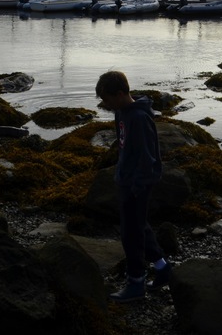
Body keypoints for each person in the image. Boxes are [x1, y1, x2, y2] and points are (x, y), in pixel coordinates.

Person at [95, 70, 172, 303]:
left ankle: (136, 283)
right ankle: (162, 268)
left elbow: (147, 156)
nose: (105, 105)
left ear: (119, 93)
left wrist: (137, 186)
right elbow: (124, 146)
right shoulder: (121, 111)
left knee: (131, 234)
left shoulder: (139, 117)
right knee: (140, 226)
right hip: (126, 178)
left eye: (107, 100)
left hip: (138, 183)